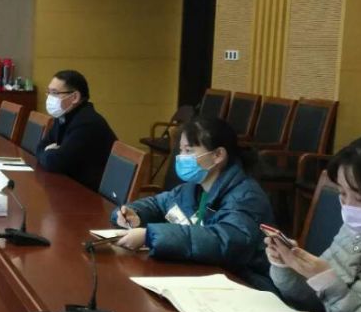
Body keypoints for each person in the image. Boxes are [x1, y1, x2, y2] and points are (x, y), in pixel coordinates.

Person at [111, 116, 276, 291]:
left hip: (247, 283)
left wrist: (151, 236)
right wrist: (134, 213)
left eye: (189, 151)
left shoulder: (246, 196)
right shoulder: (194, 187)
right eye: (181, 150)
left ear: (218, 155)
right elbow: (159, 203)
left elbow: (224, 241)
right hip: (208, 274)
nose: (181, 158)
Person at [268, 132, 361, 312]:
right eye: (342, 194)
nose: (348, 207)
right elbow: (321, 303)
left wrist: (329, 284)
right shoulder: (358, 233)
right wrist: (289, 266)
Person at [36, 69, 117, 192]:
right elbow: (40, 147)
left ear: (75, 97)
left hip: (92, 193)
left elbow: (56, 162)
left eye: (55, 93)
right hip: (71, 183)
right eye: (49, 92)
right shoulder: (63, 116)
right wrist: (48, 153)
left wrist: (48, 153)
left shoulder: (87, 123)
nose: (50, 98)